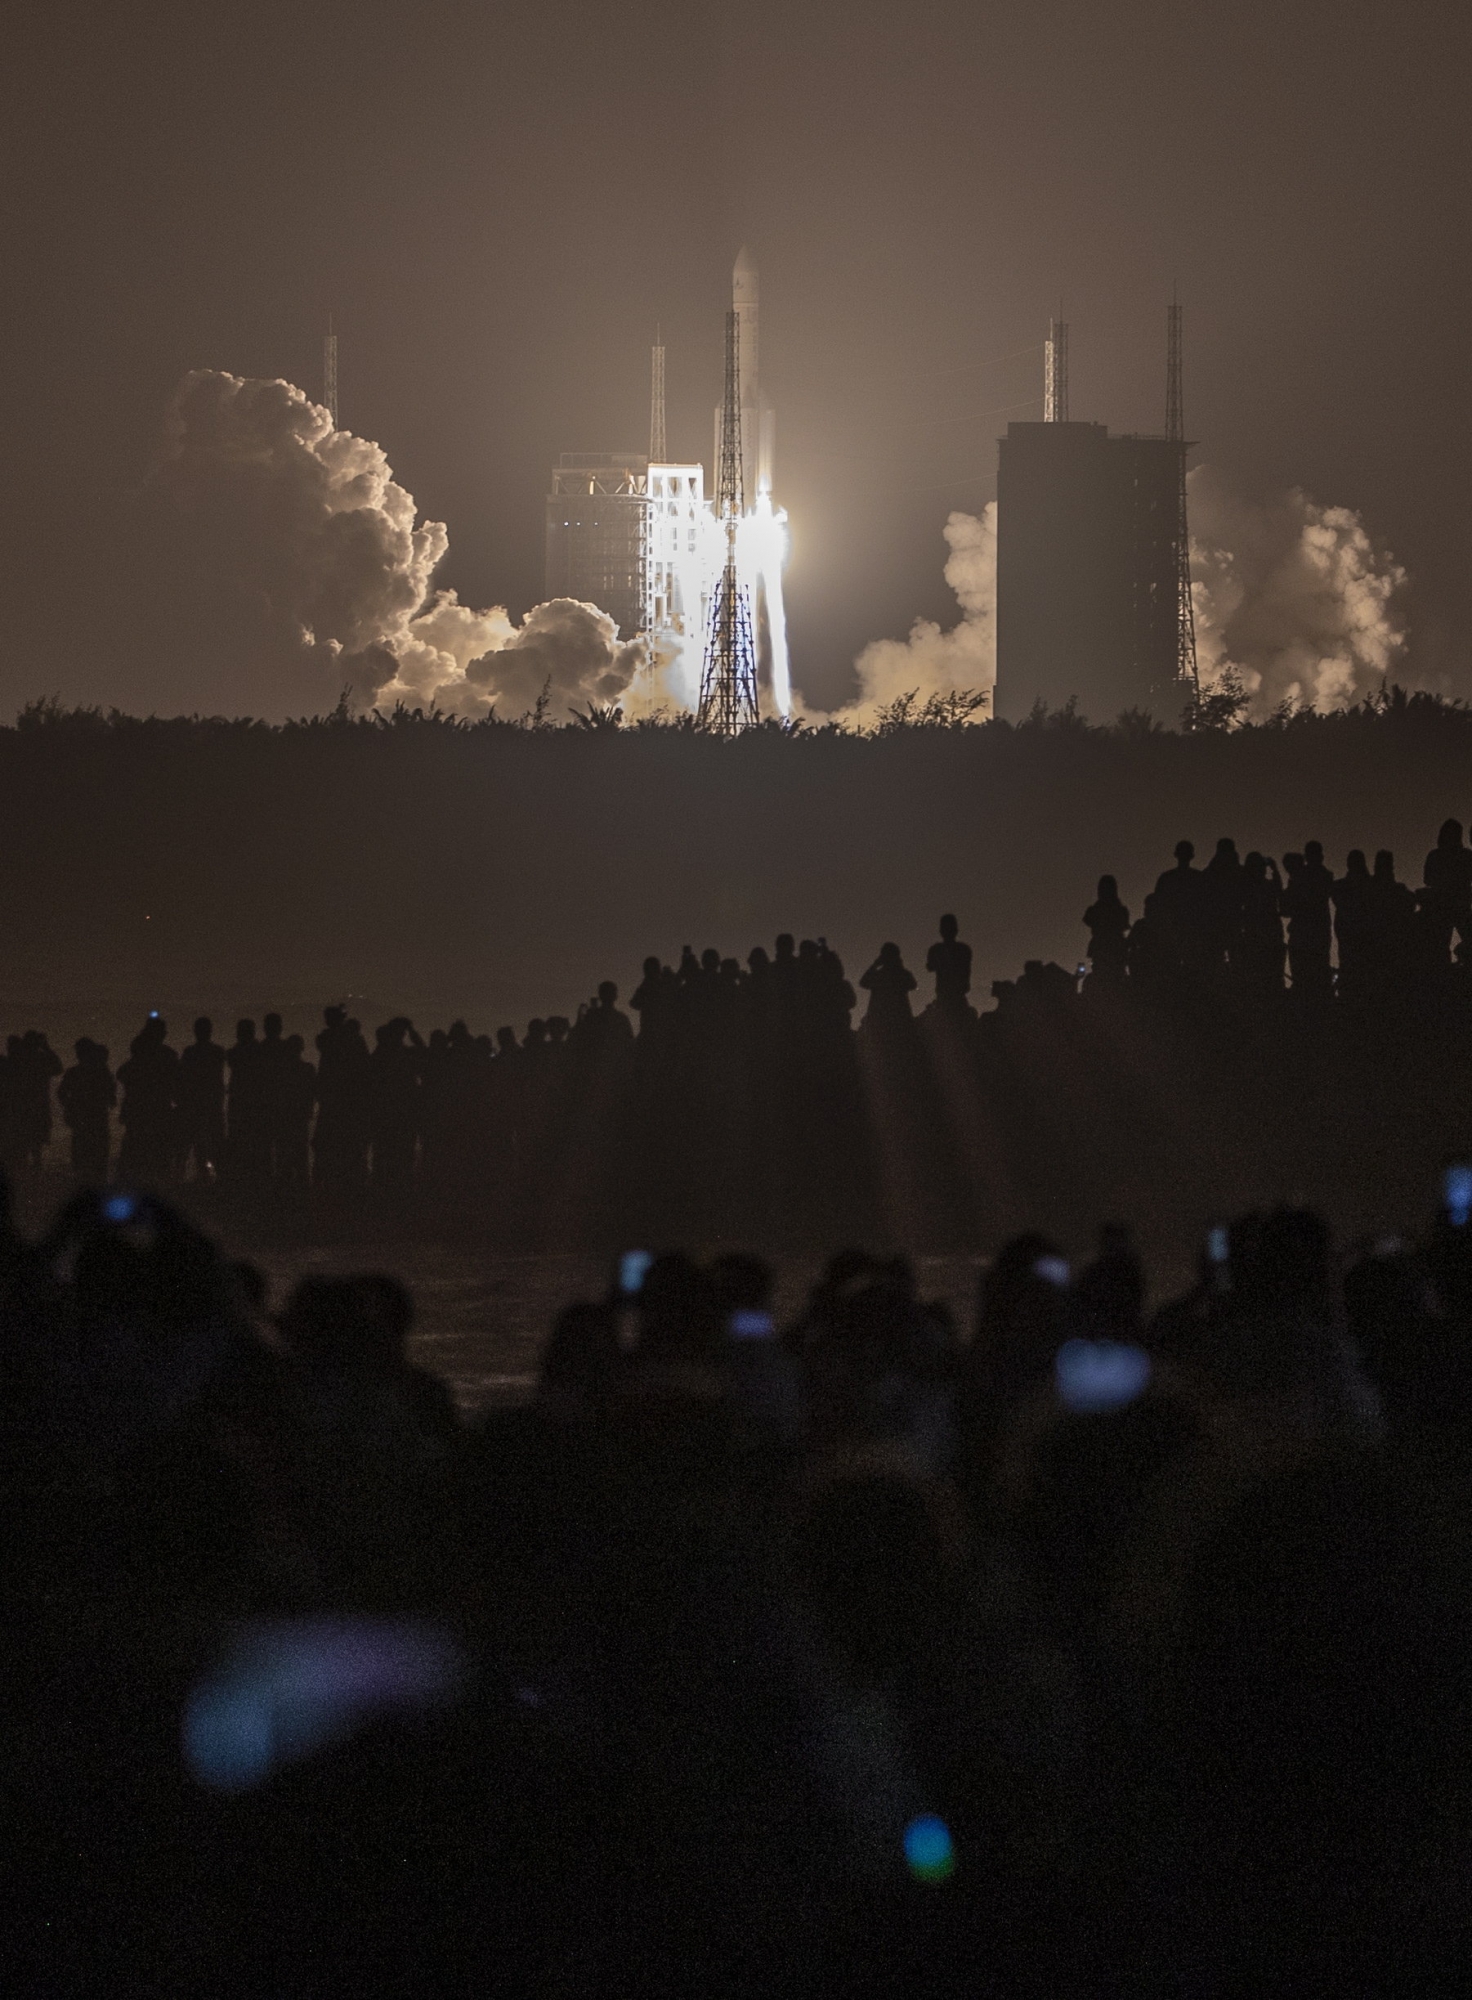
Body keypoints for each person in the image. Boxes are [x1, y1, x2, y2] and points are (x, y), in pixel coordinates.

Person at [57, 1038, 115, 1183]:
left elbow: (62, 1093)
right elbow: (111, 1097)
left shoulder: (74, 1072)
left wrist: (70, 1106)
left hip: (81, 1118)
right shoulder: (101, 1072)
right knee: (98, 1154)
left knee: (81, 1153)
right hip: (96, 1117)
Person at [177, 1017, 226, 1182]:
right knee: (213, 1144)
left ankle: (181, 1179)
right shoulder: (218, 1052)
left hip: (193, 1105)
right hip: (211, 1105)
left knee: (188, 1146)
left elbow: (183, 1078)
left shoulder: (190, 1053)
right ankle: (217, 1180)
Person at [859, 942, 917, 1033]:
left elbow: (863, 982)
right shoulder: (901, 974)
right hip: (899, 1019)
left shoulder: (879, 975)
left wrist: (874, 965)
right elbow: (913, 985)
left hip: (882, 1020)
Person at [1083, 876, 1131, 986]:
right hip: (1113, 947)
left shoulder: (1097, 909)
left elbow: (1088, 919)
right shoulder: (1119, 909)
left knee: (1104, 976)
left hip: (1105, 947)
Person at [925, 914, 974, 1017]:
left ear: (941, 931)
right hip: (958, 996)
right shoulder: (964, 950)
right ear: (956, 930)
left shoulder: (937, 950)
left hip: (944, 996)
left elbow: (930, 967)